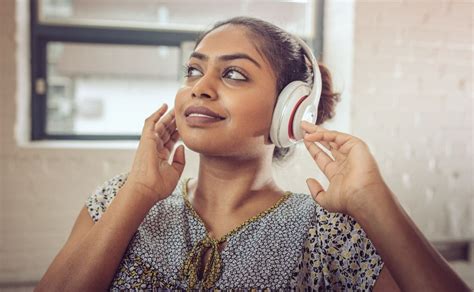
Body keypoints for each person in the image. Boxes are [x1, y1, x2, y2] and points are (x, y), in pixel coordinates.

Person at [36, 17, 469, 291]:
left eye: (233, 74)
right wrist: (138, 191)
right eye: (194, 69)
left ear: (290, 110)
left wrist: (373, 201)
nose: (200, 87)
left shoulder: (330, 234)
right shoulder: (119, 199)